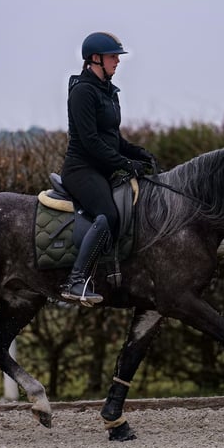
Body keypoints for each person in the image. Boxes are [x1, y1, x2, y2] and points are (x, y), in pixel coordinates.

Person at [60, 31, 156, 305]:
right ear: (95, 58)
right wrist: (125, 164)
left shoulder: (109, 92)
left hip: (103, 169)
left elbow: (112, 138)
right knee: (108, 215)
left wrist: (139, 154)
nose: (118, 61)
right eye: (113, 56)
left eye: (117, 56)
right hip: (81, 169)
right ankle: (75, 281)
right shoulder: (82, 92)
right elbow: (90, 142)